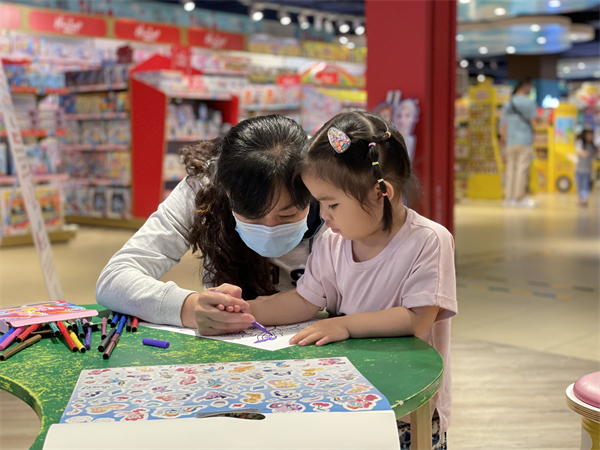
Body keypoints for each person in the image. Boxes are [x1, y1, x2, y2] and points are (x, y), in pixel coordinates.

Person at [237, 111, 457, 450]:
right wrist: (245, 311)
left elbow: (417, 318)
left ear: (381, 192)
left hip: (407, 407)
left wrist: (344, 325)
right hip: (347, 396)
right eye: (319, 204)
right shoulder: (333, 241)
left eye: (332, 204)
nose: (323, 215)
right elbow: (304, 300)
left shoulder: (428, 241)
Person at [96, 115, 327, 333]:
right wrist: (188, 307)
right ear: (226, 193)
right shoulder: (204, 188)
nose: (269, 230)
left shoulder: (331, 184)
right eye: (252, 217)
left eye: (288, 215)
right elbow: (114, 279)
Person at [500, 77, 539, 207]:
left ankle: (508, 198)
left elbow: (503, 124)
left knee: (510, 169)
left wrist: (503, 140)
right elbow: (534, 121)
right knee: (522, 169)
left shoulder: (508, 102)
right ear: (527, 86)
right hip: (524, 139)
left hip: (510, 140)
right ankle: (519, 198)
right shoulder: (529, 102)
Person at [575, 126, 598, 207]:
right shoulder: (581, 143)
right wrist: (583, 152)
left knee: (585, 185)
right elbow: (578, 150)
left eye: (591, 135)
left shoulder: (592, 146)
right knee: (579, 185)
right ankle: (580, 198)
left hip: (587, 170)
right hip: (579, 169)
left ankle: (584, 199)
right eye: (588, 135)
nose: (590, 137)